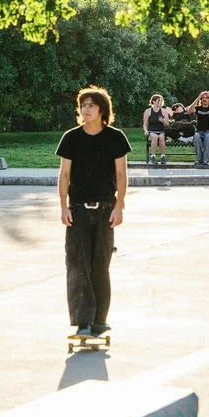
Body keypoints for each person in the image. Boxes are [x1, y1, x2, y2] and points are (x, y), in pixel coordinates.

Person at [56, 86, 131, 338]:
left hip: (105, 210)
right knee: (77, 264)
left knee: (100, 265)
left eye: (91, 105)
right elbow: (64, 175)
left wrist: (120, 206)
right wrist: (63, 206)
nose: (85, 110)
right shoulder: (71, 138)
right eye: (83, 105)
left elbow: (121, 176)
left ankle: (100, 321)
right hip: (77, 209)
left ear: (102, 110)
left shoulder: (115, 138)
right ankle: (83, 322)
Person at [186, 90, 209, 166]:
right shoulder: (197, 108)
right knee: (196, 136)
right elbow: (189, 110)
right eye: (203, 98)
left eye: (207, 98)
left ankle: (205, 160)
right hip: (199, 131)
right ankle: (199, 160)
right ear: (201, 100)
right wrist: (198, 97)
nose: (205, 99)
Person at [142, 94, 171, 165]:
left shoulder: (164, 111)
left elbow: (167, 125)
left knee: (161, 137)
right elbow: (145, 124)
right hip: (151, 131)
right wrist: (145, 130)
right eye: (158, 101)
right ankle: (153, 156)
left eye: (161, 101)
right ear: (153, 101)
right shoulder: (148, 111)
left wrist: (163, 121)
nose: (160, 102)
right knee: (155, 137)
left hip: (161, 131)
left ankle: (163, 156)